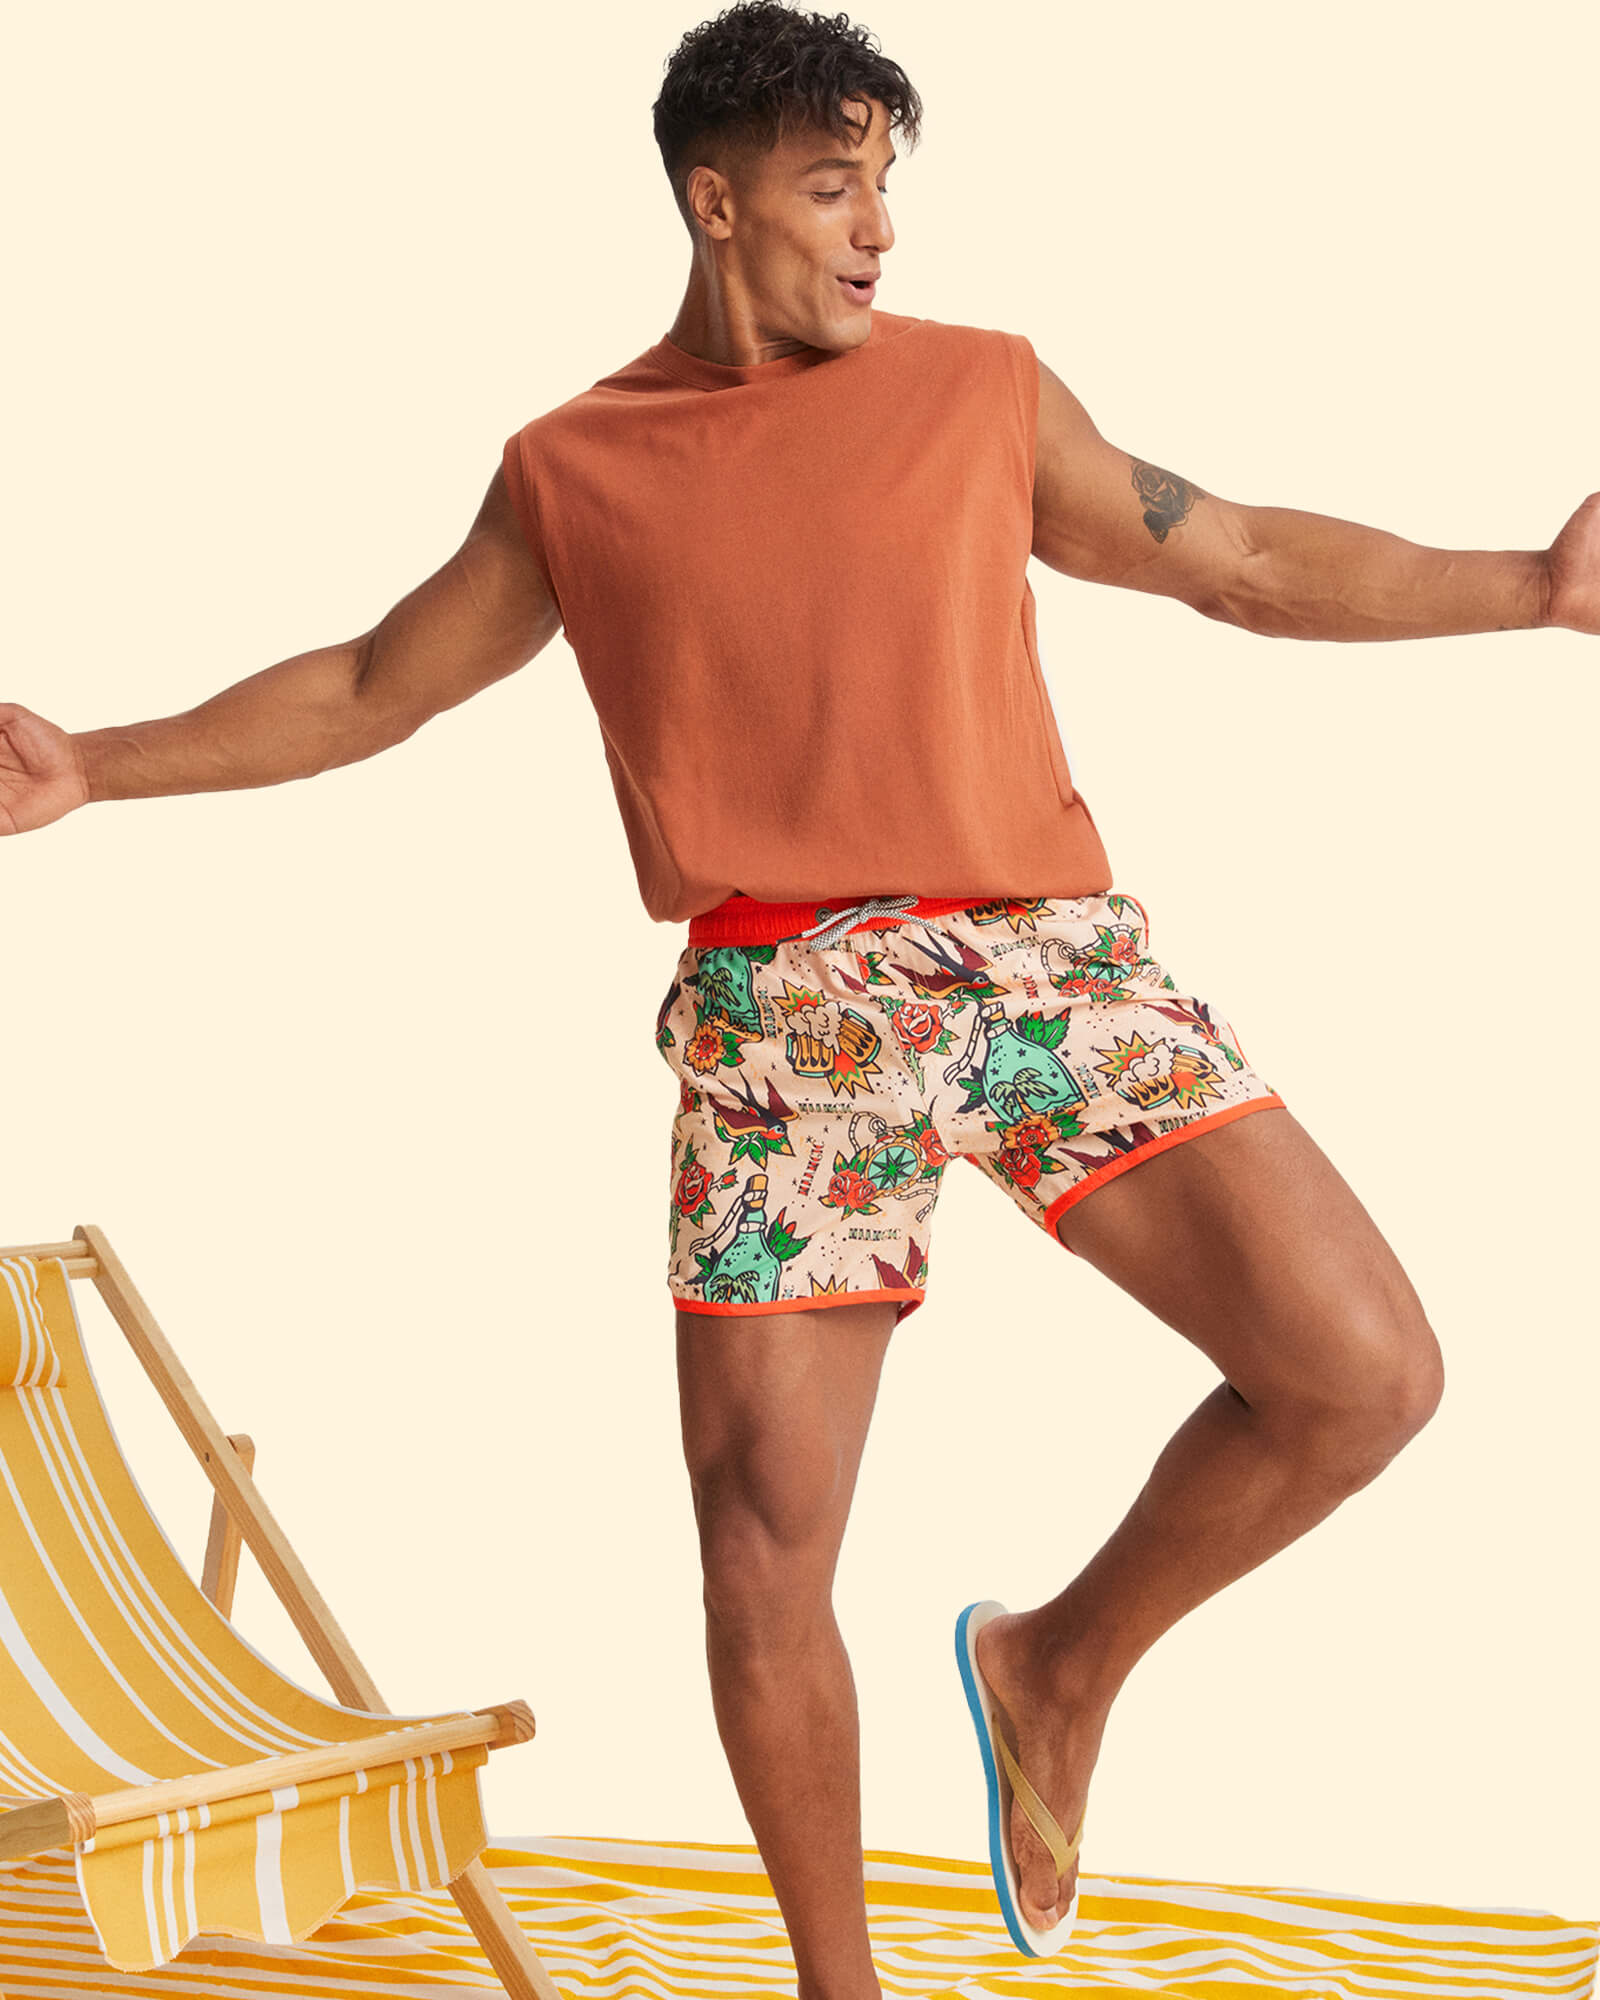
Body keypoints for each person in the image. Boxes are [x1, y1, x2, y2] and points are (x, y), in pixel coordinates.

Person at [1, 3, 1594, 1995]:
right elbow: (368, 685)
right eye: (836, 188)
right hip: (779, 1021)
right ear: (715, 200)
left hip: (1033, 964)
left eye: (886, 187)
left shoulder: (982, 390)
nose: (878, 232)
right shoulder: (573, 468)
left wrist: (1536, 585)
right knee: (761, 1543)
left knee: (1364, 1375)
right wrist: (96, 764)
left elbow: (1244, 558)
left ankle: (1059, 1664)